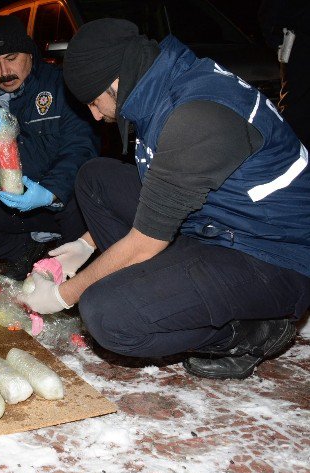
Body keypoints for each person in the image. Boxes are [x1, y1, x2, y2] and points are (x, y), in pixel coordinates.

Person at [18, 19, 310, 380]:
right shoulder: (162, 87)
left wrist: (65, 295)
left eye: (94, 102)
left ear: (117, 82)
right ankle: (159, 287)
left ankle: (250, 332)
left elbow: (145, 241)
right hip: (221, 223)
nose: (95, 115)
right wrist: (83, 243)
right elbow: (160, 191)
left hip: (272, 258)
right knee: (95, 178)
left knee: (106, 315)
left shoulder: (197, 116)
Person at [0, 15, 99, 280]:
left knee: (90, 213)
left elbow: (81, 147)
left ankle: (65, 255)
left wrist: (50, 193)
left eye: (12, 58)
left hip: (57, 199)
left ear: (29, 52)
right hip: (6, 198)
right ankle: (26, 247)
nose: (4, 72)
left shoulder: (60, 85)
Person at [258, 0, 309, 146]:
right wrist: (283, 45)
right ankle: (284, 152)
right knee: (297, 112)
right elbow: (269, 16)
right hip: (302, 51)